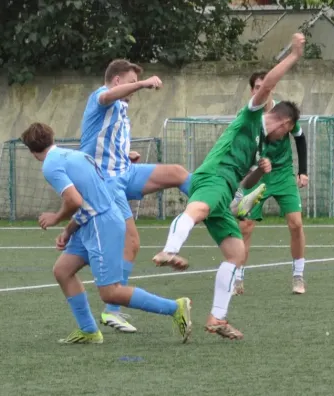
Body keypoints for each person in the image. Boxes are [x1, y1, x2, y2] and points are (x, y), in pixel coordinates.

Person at [74, 59, 260, 333]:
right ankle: (113, 310)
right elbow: (105, 97)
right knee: (132, 242)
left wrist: (126, 154)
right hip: (105, 182)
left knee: (177, 172)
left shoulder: (122, 108)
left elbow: (104, 141)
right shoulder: (101, 97)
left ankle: (224, 202)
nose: (133, 92)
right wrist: (144, 83)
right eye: (130, 84)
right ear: (116, 81)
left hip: (124, 171)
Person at [152, 33, 306, 340]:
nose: (284, 139)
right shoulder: (252, 119)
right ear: (285, 125)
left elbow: (244, 181)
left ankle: (217, 318)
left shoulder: (261, 143)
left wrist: (258, 173)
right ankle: (169, 250)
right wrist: (294, 55)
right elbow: (268, 84)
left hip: (227, 189)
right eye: (287, 133)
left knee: (236, 252)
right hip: (213, 177)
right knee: (199, 208)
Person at [22, 122, 192, 344]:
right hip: (92, 221)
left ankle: (175, 307)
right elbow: (89, 202)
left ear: (32, 151)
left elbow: (74, 200)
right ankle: (89, 331)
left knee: (110, 292)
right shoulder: (75, 156)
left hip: (102, 224)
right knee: (63, 270)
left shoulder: (50, 165)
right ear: (52, 138)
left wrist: (55, 217)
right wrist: (67, 230)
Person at [229, 71, 309, 296]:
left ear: (270, 88)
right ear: (252, 89)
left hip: (283, 174)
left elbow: (300, 137)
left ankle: (298, 275)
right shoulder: (247, 115)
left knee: (296, 223)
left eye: (264, 86)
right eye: (256, 87)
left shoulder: (283, 113)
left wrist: (302, 171)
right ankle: (238, 278)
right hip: (257, 174)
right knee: (245, 226)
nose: (260, 90)